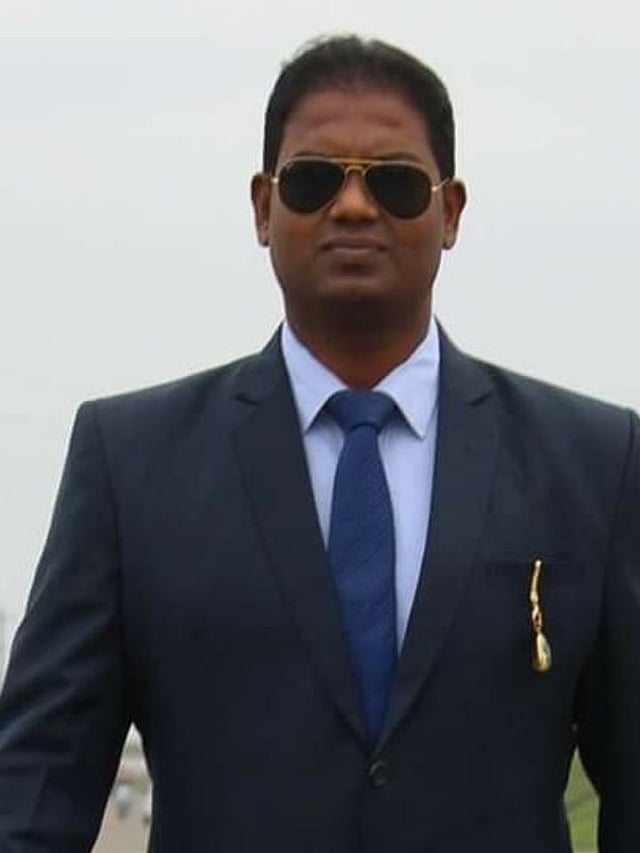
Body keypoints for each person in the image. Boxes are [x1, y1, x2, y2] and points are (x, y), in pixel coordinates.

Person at [0, 34, 638, 853]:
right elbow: (36, 788)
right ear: (263, 207)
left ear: (450, 212)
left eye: (395, 182)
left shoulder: (592, 464)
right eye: (313, 179)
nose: (354, 207)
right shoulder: (130, 466)